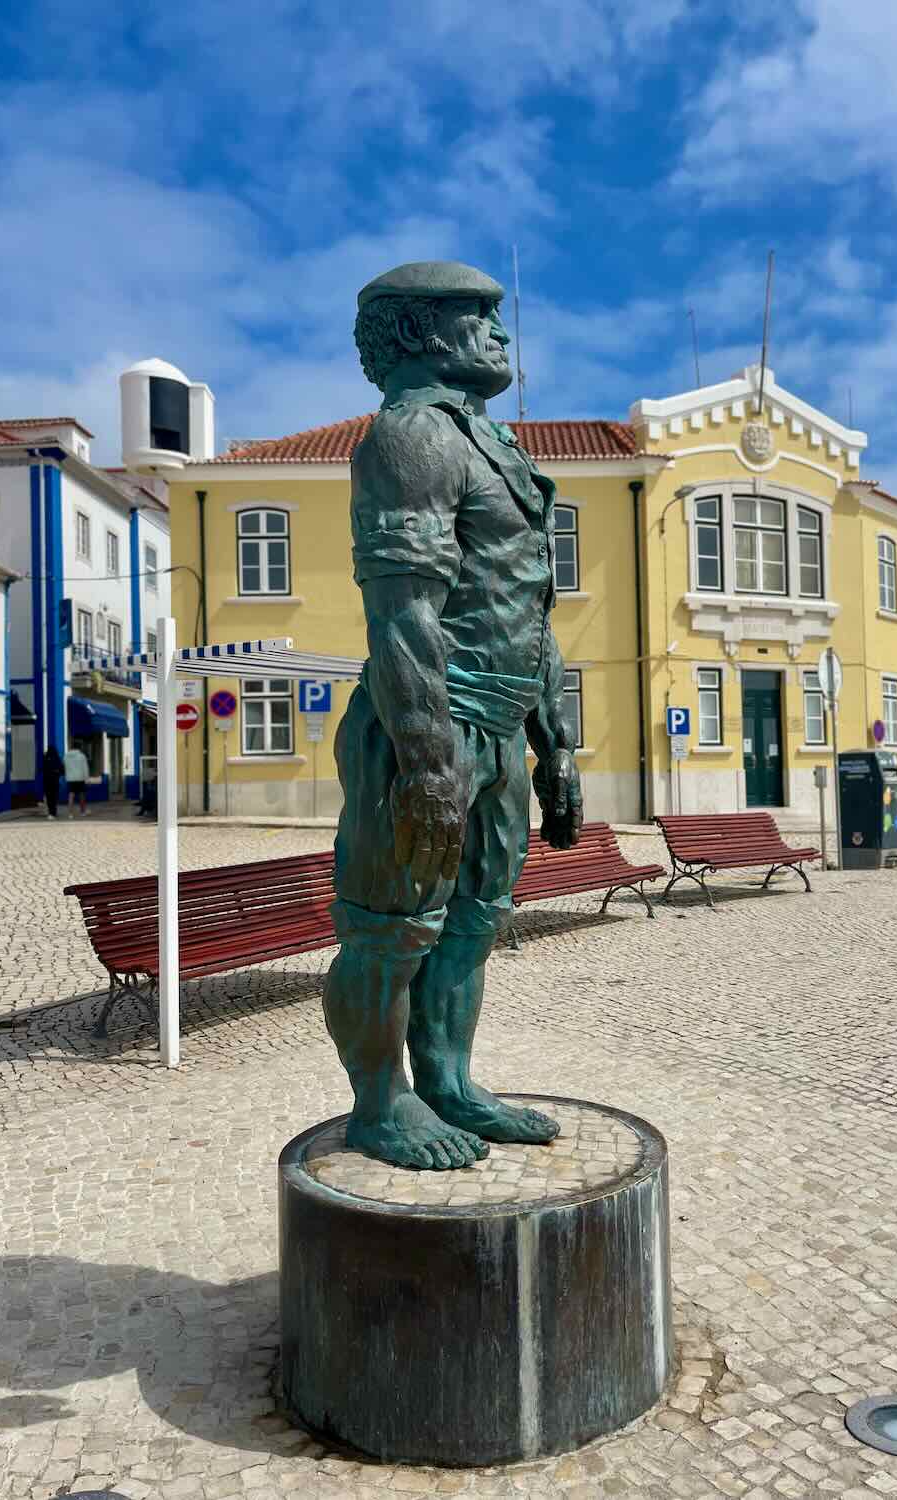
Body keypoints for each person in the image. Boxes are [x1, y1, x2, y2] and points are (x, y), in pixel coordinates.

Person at [323, 261, 582, 1171]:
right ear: (416, 331)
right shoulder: (409, 437)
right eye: (479, 315)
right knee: (393, 929)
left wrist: (554, 744)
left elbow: (528, 610)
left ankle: (448, 1078)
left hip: (502, 724)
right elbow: (402, 611)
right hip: (428, 725)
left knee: (474, 916)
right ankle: (378, 1101)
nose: (501, 332)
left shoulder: (487, 446)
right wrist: (430, 762)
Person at [63, 742, 90, 816]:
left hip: (70, 778)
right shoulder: (82, 756)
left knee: (71, 795)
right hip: (80, 778)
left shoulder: (66, 756)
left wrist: (67, 775)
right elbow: (85, 768)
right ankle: (82, 812)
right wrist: (86, 778)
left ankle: (70, 813)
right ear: (79, 748)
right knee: (81, 795)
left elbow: (65, 767)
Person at [41, 745, 64, 819]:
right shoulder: (57, 759)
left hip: (47, 781)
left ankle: (50, 812)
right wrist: (57, 773)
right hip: (55, 781)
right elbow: (62, 770)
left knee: (49, 797)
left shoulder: (45, 759)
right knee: (54, 797)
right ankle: (54, 812)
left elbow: (42, 769)